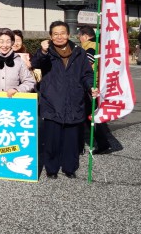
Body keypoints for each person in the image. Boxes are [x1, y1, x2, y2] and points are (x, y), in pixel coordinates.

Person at [31, 21, 98, 179]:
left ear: (69, 35)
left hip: (74, 102)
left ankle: (70, 167)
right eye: (55, 34)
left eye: (62, 33)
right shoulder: (47, 52)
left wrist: (90, 87)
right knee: (52, 140)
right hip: (51, 103)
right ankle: (52, 169)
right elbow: (35, 63)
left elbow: (87, 75)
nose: (59, 36)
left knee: (71, 140)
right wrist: (43, 50)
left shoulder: (79, 53)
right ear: (50, 36)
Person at [78, 26, 112, 155]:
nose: (79, 39)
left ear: (85, 36)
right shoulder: (99, 45)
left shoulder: (91, 46)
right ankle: (102, 143)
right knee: (90, 116)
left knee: (86, 115)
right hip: (98, 84)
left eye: (79, 36)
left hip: (90, 86)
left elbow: (87, 62)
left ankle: (99, 144)